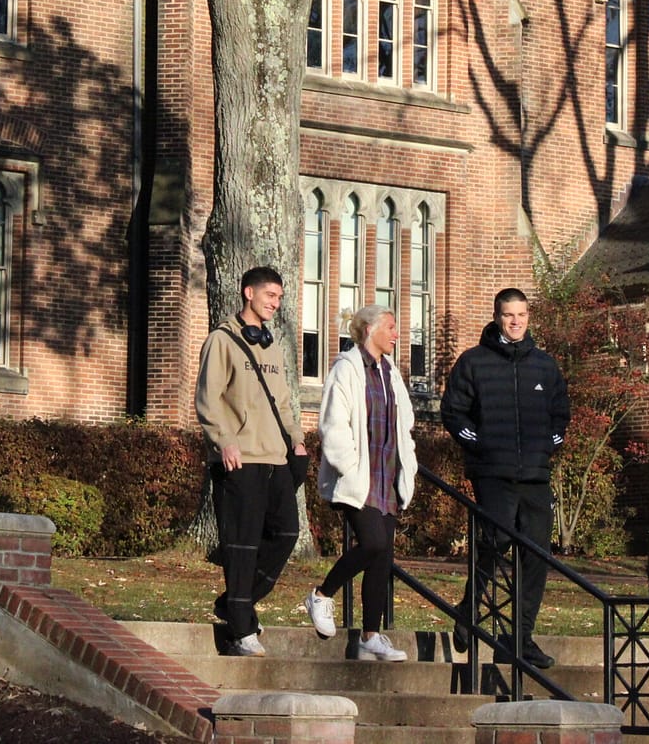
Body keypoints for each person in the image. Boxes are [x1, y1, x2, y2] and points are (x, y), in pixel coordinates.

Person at [441, 287, 570, 669]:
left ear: (529, 317)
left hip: (534, 475)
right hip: (493, 473)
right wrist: (480, 445)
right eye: (509, 315)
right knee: (492, 543)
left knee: (535, 554)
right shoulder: (474, 362)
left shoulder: (545, 366)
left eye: (522, 315)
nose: (516, 322)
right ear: (497, 317)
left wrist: (547, 445)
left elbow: (561, 414)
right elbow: (454, 413)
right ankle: (468, 611)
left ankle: (521, 637)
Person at [195, 265, 307, 657]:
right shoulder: (221, 341)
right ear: (248, 293)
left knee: (286, 534)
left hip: (276, 457)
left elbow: (284, 402)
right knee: (241, 545)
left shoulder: (271, 346)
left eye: (278, 297)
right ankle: (241, 628)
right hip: (239, 459)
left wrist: (297, 441)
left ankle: (234, 603)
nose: (275, 303)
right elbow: (208, 400)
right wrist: (223, 442)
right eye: (269, 296)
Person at [301, 305, 418, 662]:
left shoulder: (390, 372)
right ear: (369, 329)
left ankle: (371, 635)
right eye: (391, 327)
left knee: (382, 556)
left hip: (387, 476)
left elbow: (404, 422)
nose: (396, 334)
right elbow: (333, 423)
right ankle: (321, 595)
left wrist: (407, 465)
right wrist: (350, 467)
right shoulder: (347, 369)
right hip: (359, 478)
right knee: (372, 542)